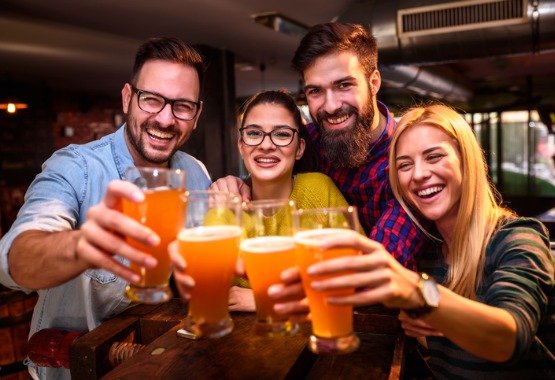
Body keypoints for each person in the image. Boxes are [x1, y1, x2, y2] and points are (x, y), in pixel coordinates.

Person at [270, 103, 555, 379]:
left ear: (467, 162)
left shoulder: (518, 238)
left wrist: (419, 293)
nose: (418, 174)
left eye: (434, 157)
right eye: (405, 165)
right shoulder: (427, 252)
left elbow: (509, 337)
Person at [0, 37, 212, 379]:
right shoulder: (76, 168)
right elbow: (13, 263)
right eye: (152, 99)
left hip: (164, 363)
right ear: (128, 98)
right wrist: (83, 245)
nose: (165, 118)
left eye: (182, 106)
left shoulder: (196, 173)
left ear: (196, 114)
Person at [212, 22, 424, 269]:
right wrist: (238, 183)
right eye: (315, 91)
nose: (331, 106)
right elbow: (269, 162)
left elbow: (381, 272)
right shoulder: (312, 138)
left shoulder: (406, 160)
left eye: (344, 85)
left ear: (374, 82)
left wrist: (268, 292)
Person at [220, 89, 350, 311]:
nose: (266, 145)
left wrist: (265, 300)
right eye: (253, 133)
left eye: (281, 134)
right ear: (241, 146)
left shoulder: (319, 190)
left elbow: (359, 276)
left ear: (299, 148)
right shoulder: (225, 203)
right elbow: (208, 291)